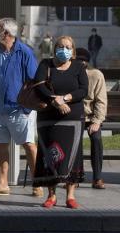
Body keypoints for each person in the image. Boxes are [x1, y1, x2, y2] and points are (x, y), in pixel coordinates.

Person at [0, 18, 42, 198]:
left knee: (29, 145)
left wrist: (28, 107)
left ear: (6, 33)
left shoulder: (24, 52)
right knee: (0, 146)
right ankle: (2, 183)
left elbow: (34, 81)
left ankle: (38, 182)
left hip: (20, 110)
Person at [33, 36, 88, 209]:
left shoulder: (79, 66)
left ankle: (70, 196)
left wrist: (64, 99)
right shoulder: (45, 64)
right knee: (51, 155)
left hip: (72, 119)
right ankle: (52, 195)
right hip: (49, 118)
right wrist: (54, 100)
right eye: (60, 46)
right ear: (54, 48)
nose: (64, 49)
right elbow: (39, 86)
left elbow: (83, 90)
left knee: (72, 156)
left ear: (73, 50)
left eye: (68, 47)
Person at [76, 48, 107, 189]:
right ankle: (75, 176)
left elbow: (101, 101)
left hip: (91, 117)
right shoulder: (71, 74)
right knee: (75, 141)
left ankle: (97, 178)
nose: (80, 63)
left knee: (96, 139)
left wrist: (96, 121)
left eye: (83, 60)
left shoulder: (96, 75)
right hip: (75, 117)